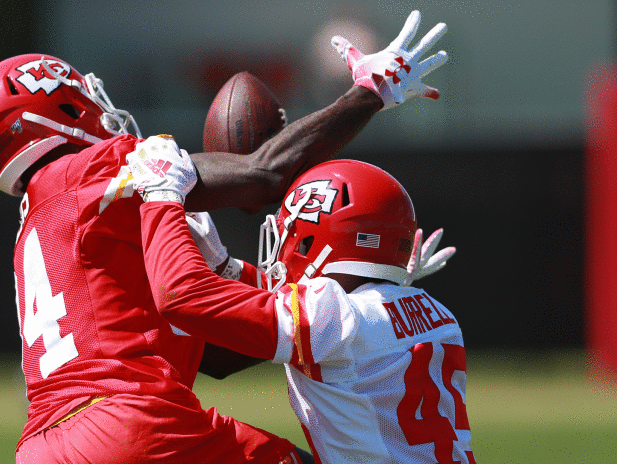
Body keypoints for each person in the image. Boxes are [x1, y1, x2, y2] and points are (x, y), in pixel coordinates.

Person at [0, 9, 448, 463]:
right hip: (131, 424)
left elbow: (218, 352)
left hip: (42, 447)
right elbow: (265, 173)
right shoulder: (88, 171)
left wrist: (359, 290)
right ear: (58, 107)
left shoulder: (45, 225)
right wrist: (371, 93)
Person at [132, 154, 472, 464]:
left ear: (314, 242)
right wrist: (226, 267)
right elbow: (341, 315)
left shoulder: (336, 318)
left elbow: (182, 295)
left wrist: (163, 197)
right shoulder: (438, 315)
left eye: (292, 233)